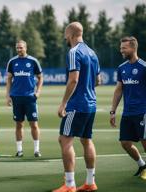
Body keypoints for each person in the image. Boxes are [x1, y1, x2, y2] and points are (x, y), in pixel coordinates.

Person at [53, 22, 101, 192]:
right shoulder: (92, 52)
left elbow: (73, 79)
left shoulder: (74, 52)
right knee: (86, 140)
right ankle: (90, 182)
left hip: (76, 105)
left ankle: (70, 184)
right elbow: (98, 80)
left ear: (71, 34)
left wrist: (64, 103)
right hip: (91, 104)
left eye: (66, 35)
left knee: (65, 140)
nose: (65, 38)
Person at [110, 36, 146, 180]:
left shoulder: (144, 66)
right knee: (125, 142)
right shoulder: (122, 68)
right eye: (121, 48)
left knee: (145, 143)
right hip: (127, 113)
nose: (121, 50)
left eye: (124, 48)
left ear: (133, 48)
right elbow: (119, 89)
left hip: (142, 112)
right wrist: (113, 111)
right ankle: (142, 165)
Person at [5, 40, 43, 158]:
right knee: (18, 125)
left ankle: (36, 150)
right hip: (16, 97)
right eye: (17, 48)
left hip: (30, 97)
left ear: (26, 48)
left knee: (34, 124)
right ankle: (19, 150)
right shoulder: (12, 62)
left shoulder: (33, 61)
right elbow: (9, 79)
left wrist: (38, 92)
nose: (19, 50)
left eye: (21, 48)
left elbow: (40, 77)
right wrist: (8, 95)